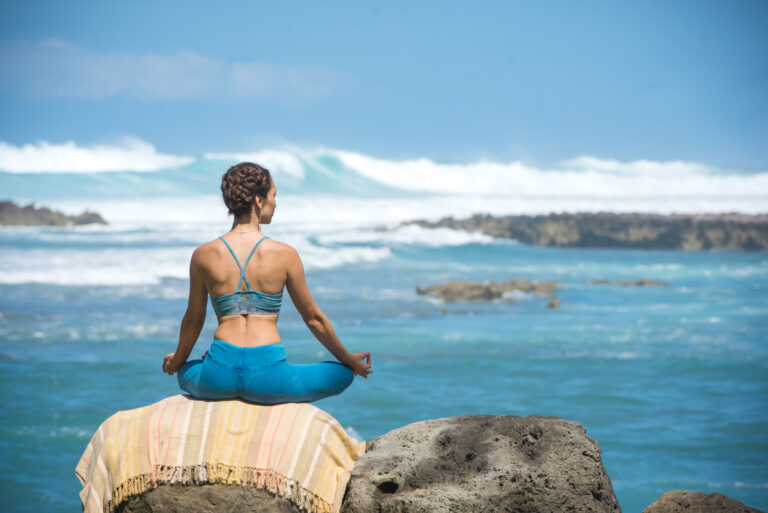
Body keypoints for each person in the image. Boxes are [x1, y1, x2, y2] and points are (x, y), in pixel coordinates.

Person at [162, 162, 372, 404]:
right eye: (274, 195)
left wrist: (177, 361)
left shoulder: (203, 254)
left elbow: (193, 320)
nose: (275, 203)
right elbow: (314, 319)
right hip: (269, 379)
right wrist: (349, 361)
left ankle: (204, 364)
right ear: (259, 201)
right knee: (342, 373)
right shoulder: (285, 254)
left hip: (218, 377)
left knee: (186, 370)